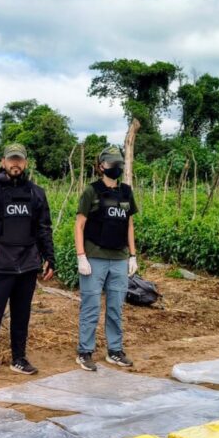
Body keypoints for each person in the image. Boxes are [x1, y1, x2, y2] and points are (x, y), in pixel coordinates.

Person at [0, 143, 56, 380]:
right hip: (0, 263)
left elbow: (44, 227)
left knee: (21, 314)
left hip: (28, 264)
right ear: (3, 162)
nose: (15, 163)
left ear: (25, 163)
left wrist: (50, 257)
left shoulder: (36, 193)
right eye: (11, 159)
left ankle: (19, 358)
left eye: (19, 160)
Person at [74, 145, 138, 371]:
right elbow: (79, 225)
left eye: (119, 163)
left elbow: (129, 224)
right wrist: (81, 256)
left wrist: (132, 255)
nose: (116, 167)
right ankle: (84, 351)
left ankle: (115, 350)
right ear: (101, 166)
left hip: (119, 258)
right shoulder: (91, 192)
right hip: (95, 257)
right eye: (112, 163)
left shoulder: (126, 192)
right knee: (91, 306)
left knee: (115, 307)